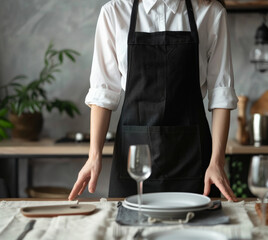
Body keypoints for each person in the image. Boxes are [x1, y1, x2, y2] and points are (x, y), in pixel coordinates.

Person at [69, 0, 238, 201]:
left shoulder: (210, 13)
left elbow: (221, 94)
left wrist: (217, 162)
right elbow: (103, 93)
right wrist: (94, 156)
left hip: (192, 160)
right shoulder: (114, 12)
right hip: (134, 162)